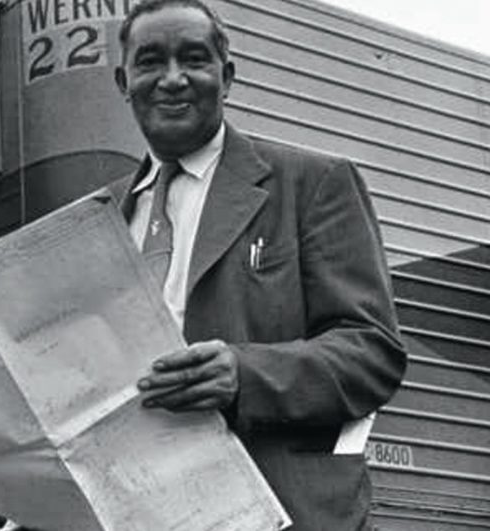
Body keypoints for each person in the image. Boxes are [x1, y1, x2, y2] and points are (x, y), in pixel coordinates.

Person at [109, 1, 407, 529]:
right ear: (123, 81)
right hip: (136, 509)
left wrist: (245, 375)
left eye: (194, 59)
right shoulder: (100, 220)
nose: (172, 79)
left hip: (274, 509)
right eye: (150, 61)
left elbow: (372, 352)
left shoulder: (314, 184)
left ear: (226, 77)